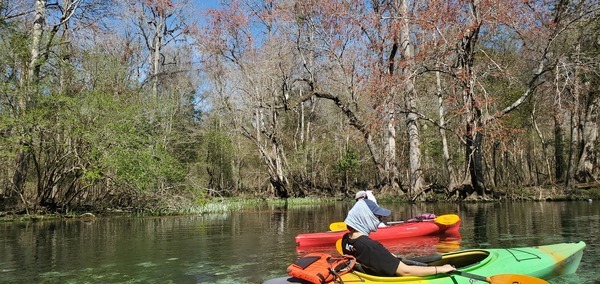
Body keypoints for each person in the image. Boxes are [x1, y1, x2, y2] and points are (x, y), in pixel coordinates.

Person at [341, 199, 456, 277]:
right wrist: (440, 269)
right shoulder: (371, 247)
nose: (380, 220)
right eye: (377, 217)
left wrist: (387, 256)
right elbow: (406, 271)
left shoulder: (346, 239)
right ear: (364, 217)